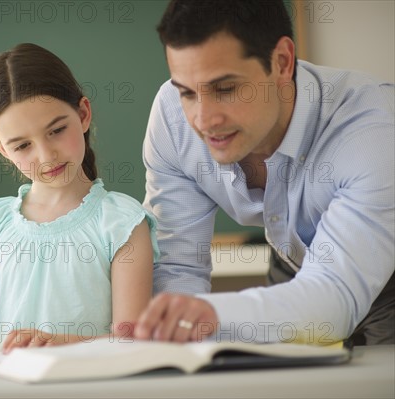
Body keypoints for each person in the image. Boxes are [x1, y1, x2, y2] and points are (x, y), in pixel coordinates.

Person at [134, 0, 394, 346]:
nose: (203, 120)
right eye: (187, 92)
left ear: (282, 62)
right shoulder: (171, 116)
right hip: (295, 258)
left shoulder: (374, 133)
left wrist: (211, 315)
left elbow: (335, 294)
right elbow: (177, 271)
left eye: (225, 89)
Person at [0, 43, 159, 357]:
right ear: (1, 149)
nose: (46, 155)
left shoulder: (121, 223)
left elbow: (132, 342)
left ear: (83, 114)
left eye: (57, 130)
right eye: (23, 145)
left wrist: (62, 346)